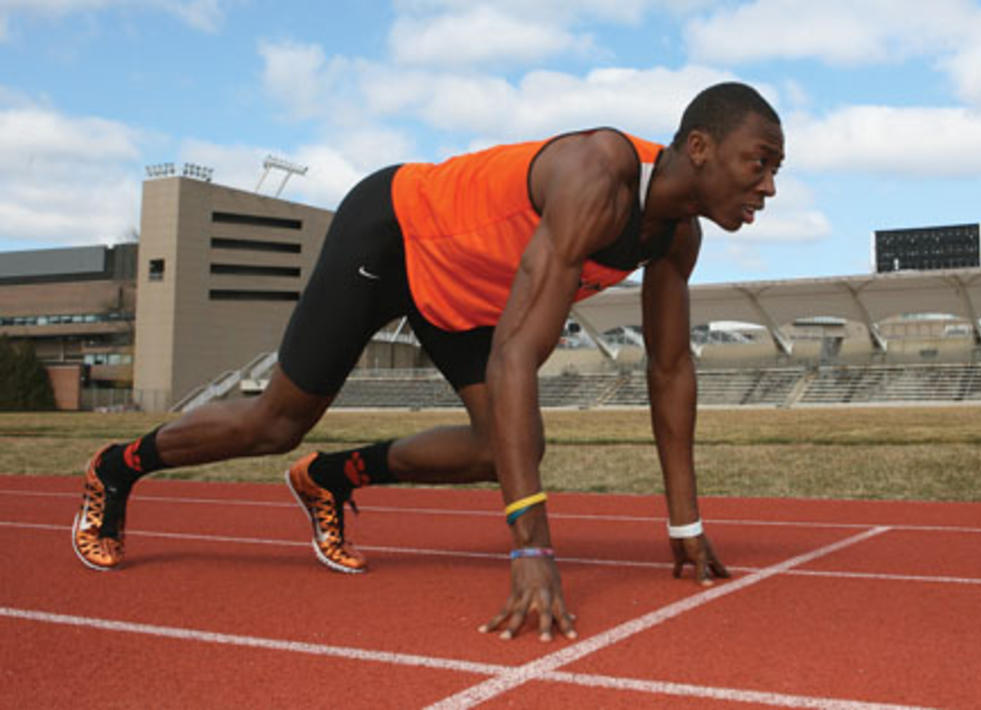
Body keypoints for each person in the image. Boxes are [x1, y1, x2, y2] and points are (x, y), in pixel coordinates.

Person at [72, 81, 784, 642]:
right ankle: (118, 467)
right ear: (699, 146)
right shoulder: (597, 174)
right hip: (394, 233)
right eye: (760, 163)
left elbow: (669, 372)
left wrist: (686, 528)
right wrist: (531, 554)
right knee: (275, 422)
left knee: (504, 448)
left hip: (462, 295)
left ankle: (329, 477)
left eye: (775, 170)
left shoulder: (677, 239)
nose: (769, 188)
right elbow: (514, 354)